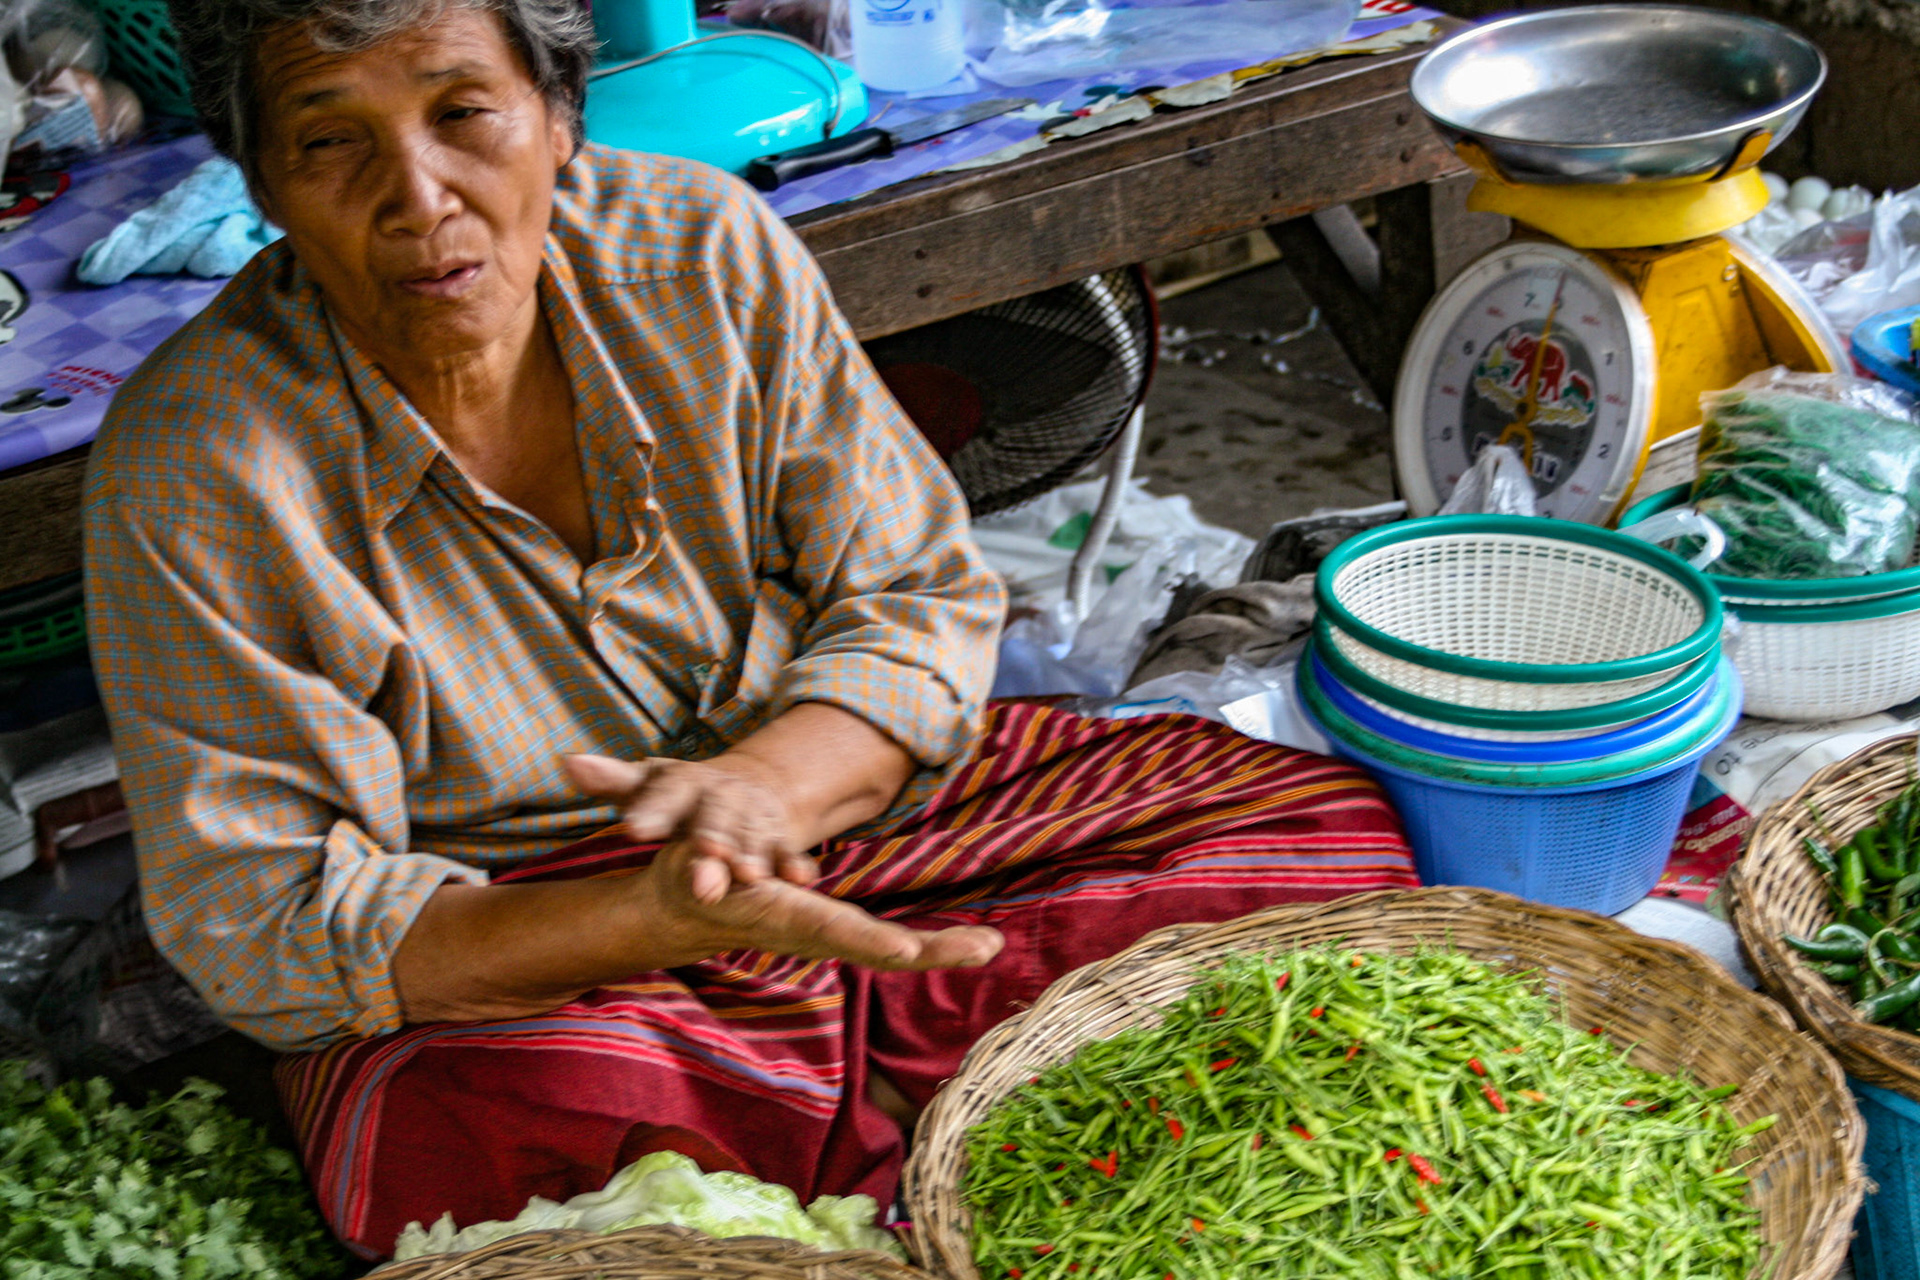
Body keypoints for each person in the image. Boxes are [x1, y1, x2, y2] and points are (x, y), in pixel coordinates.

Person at [84, 0, 1418, 1256]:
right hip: (551, 938)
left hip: (860, 809)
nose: (419, 199)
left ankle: (897, 1154)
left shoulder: (699, 250)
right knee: (431, 1125)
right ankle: (937, 1146)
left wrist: (764, 789)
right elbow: (264, 921)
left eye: (463, 114)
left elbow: (916, 593)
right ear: (261, 187)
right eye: (331, 141)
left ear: (559, 120)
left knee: (1322, 831)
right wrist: (653, 914)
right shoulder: (197, 467)